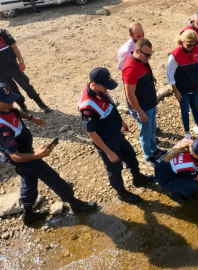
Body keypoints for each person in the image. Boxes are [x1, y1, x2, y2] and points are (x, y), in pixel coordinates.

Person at [0, 83, 96, 225]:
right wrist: (37, 156)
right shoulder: (2, 127)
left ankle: (28, 214)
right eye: (7, 100)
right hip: (23, 158)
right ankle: (74, 203)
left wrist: (32, 118)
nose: (11, 102)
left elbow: (14, 111)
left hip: (27, 152)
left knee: (29, 180)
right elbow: (14, 156)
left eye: (11, 98)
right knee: (51, 176)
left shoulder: (7, 108)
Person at [78, 67, 153, 204]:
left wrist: (121, 121)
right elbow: (91, 132)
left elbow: (110, 106)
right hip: (105, 139)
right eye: (105, 86)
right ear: (94, 84)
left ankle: (138, 178)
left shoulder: (102, 90)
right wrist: (108, 152)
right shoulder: (87, 106)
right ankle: (121, 193)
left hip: (115, 132)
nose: (107, 89)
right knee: (114, 167)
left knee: (130, 154)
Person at [122, 38, 165, 168]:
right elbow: (129, 94)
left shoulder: (142, 60)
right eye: (147, 55)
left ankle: (155, 150)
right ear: (137, 51)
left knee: (152, 129)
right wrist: (140, 112)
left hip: (149, 103)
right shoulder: (130, 68)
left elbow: (146, 72)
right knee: (145, 133)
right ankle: (149, 156)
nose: (149, 57)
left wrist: (152, 80)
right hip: (142, 108)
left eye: (151, 54)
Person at [167, 30, 198, 139]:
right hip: (182, 88)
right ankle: (187, 131)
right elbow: (170, 75)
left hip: (195, 85)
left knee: (195, 106)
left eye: (194, 45)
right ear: (182, 41)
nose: (192, 47)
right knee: (184, 110)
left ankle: (197, 126)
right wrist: (175, 90)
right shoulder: (174, 55)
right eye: (189, 45)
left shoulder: (197, 50)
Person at [0, 29, 51, 114]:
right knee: (11, 90)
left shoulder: (2, 33)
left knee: (26, 85)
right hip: (1, 72)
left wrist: (20, 61)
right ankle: (22, 106)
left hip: (13, 66)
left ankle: (41, 104)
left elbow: (14, 46)